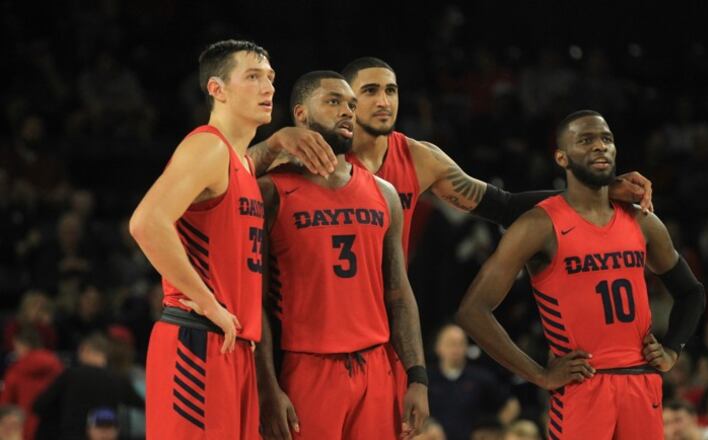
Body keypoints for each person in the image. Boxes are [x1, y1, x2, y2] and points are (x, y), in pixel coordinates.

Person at [247, 56, 655, 419]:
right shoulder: (305, 159)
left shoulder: (418, 158)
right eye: (368, 91)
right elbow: (232, 185)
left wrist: (593, 189)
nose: (383, 101)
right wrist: (273, 142)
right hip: (305, 339)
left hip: (380, 332)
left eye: (390, 90)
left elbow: (503, 205)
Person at [456, 110, 706, 439]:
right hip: (583, 386)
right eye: (586, 140)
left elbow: (692, 294)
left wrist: (673, 349)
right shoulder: (538, 225)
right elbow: (472, 311)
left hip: (642, 382)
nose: (600, 146)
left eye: (606, 139)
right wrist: (540, 375)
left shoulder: (643, 222)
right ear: (561, 157)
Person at [256, 71, 428, 440]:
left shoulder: (383, 193)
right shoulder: (271, 192)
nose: (347, 112)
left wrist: (418, 376)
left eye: (351, 104)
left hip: (376, 365)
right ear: (301, 114)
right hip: (307, 366)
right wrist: (267, 387)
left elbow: (398, 291)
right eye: (333, 102)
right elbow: (258, 305)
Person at [129, 39, 273, 439]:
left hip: (232, 344)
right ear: (217, 88)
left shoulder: (242, 162)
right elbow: (146, 222)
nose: (268, 87)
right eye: (253, 76)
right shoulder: (208, 146)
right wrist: (209, 302)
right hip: (196, 338)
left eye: (270, 78)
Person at [32, 333, 143, 440]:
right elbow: (143, 405)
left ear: (86, 350)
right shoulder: (116, 379)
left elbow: (39, 406)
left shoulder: (70, 376)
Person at [428, 324, 519, 440]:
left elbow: (512, 405)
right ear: (438, 347)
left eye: (460, 344)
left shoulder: (480, 378)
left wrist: (494, 429)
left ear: (466, 347)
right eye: (450, 343)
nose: (455, 349)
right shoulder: (427, 379)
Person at [0, 327, 63, 440]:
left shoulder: (16, 370)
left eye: (16, 347)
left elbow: (5, 404)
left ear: (23, 345)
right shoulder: (57, 366)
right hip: (53, 426)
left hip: (22, 426)